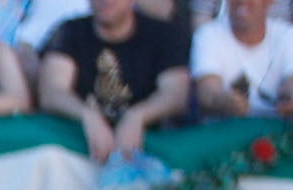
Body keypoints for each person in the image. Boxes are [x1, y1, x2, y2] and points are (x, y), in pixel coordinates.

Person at [40, 0, 190, 160]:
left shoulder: (164, 34)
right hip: (80, 142)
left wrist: (138, 116)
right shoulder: (70, 31)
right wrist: (87, 115)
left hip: (148, 144)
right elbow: (52, 92)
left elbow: (175, 95)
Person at [188, 0, 293, 114]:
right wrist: (222, 101)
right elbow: (207, 91)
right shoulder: (207, 35)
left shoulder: (292, 36)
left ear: (270, 2)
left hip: (280, 130)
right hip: (224, 130)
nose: (242, 1)